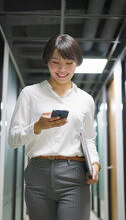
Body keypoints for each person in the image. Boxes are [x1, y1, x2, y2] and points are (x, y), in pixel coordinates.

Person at [8, 34, 101, 220]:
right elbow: (12, 140)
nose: (62, 69)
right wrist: (37, 127)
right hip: (37, 174)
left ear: (77, 63)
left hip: (74, 173)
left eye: (69, 63)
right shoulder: (29, 94)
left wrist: (95, 163)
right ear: (46, 61)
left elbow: (88, 138)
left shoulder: (85, 100)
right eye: (55, 62)